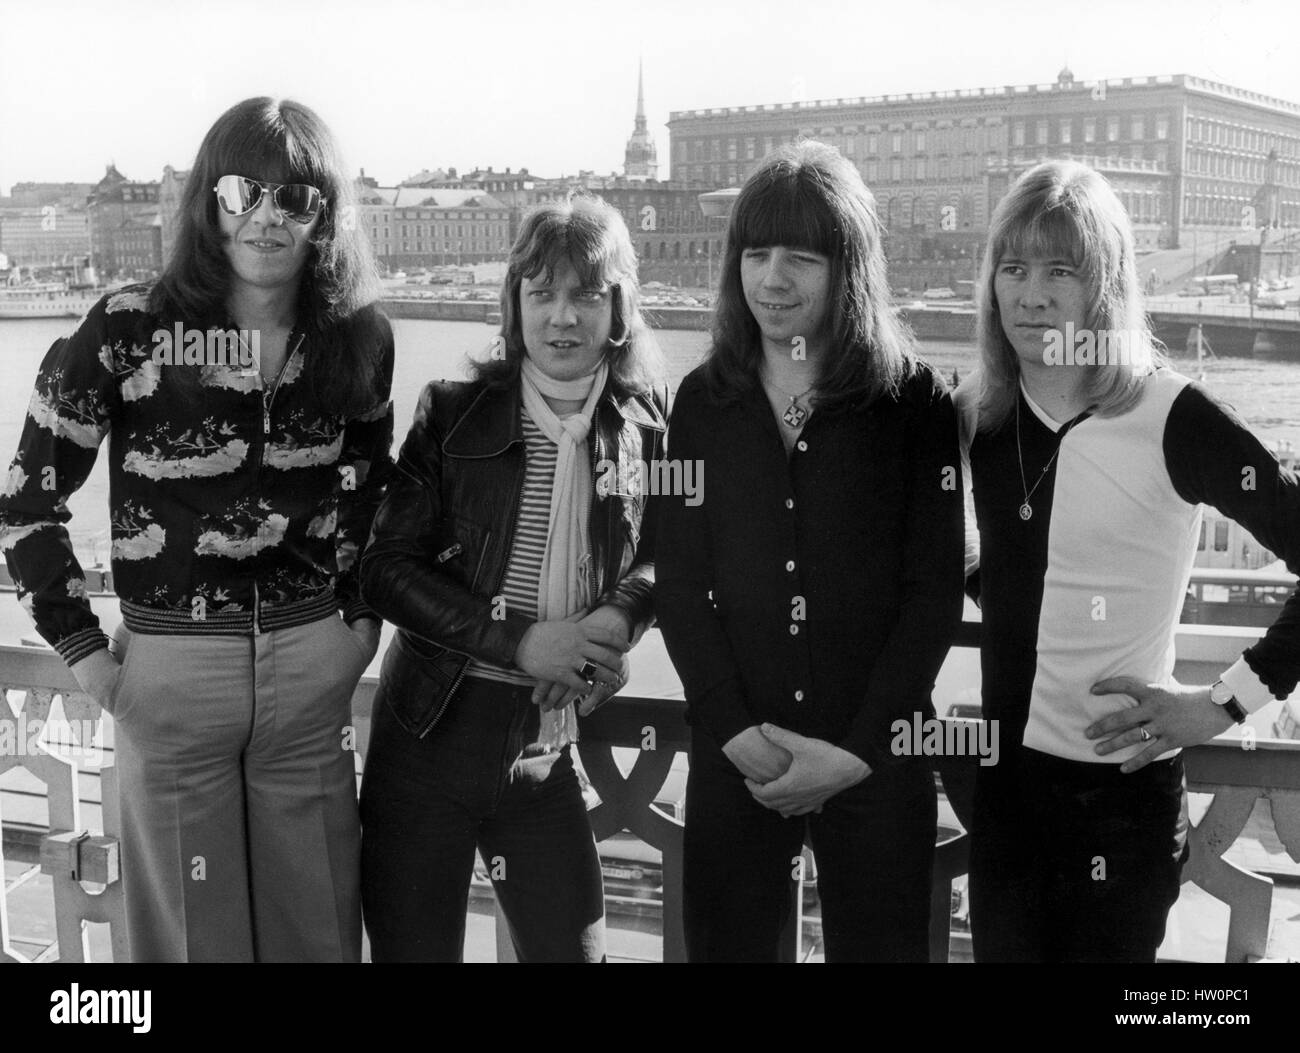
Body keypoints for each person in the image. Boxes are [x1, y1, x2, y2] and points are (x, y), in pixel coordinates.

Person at [0, 97, 394, 962]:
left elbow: (373, 494)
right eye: (242, 190)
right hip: (172, 679)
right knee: (192, 942)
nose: (266, 216)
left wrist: (357, 632)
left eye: (296, 198)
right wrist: (90, 662)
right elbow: (26, 497)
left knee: (319, 936)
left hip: (308, 672)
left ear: (326, 216)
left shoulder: (358, 336)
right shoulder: (128, 328)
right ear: (207, 201)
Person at [958, 159, 1300, 963]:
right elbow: (984, 553)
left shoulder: (1172, 414)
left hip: (1121, 803)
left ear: (1105, 283)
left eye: (1060, 270)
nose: (1031, 294)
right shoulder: (979, 413)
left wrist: (1222, 703)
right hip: (1004, 796)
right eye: (1013, 268)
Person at [655, 141, 965, 962]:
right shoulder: (701, 404)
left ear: (849, 266)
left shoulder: (916, 404)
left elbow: (933, 593)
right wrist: (731, 729)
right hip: (739, 754)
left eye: (801, 256)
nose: (773, 279)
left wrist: (855, 750)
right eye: (755, 254)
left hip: (875, 762)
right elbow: (681, 584)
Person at [357, 195, 667, 962]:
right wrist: (523, 641)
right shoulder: (455, 413)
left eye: (587, 295)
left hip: (542, 751)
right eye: (543, 294)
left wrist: (616, 624)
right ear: (515, 304)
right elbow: (384, 569)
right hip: (428, 742)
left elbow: (666, 553)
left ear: (619, 309)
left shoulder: (644, 430)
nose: (563, 317)